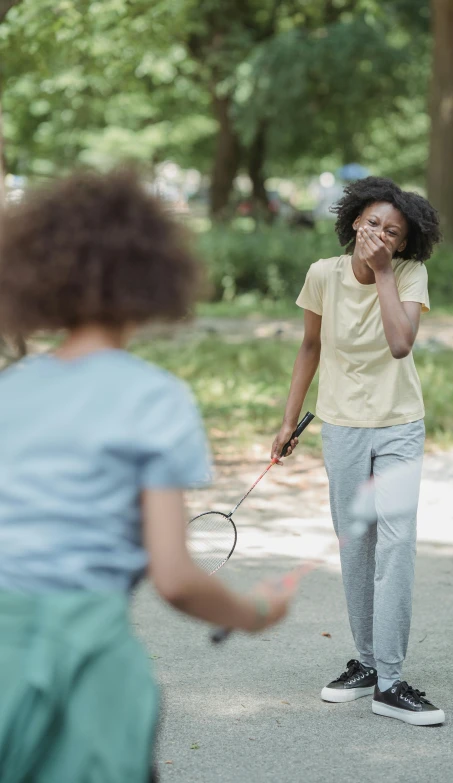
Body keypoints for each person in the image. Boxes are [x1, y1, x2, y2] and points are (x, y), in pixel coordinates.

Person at [0, 168, 293, 783]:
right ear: (152, 270)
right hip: (88, 677)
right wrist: (254, 611)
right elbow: (177, 579)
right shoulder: (155, 400)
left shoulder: (10, 391)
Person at [272, 176, 445, 726]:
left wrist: (386, 274)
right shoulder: (323, 275)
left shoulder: (409, 274)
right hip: (342, 427)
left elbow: (400, 343)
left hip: (399, 426)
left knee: (396, 547)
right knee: (357, 548)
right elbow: (310, 346)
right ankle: (367, 663)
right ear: (353, 223)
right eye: (372, 223)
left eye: (392, 232)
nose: (379, 235)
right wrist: (288, 421)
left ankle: (390, 682)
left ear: (403, 243)